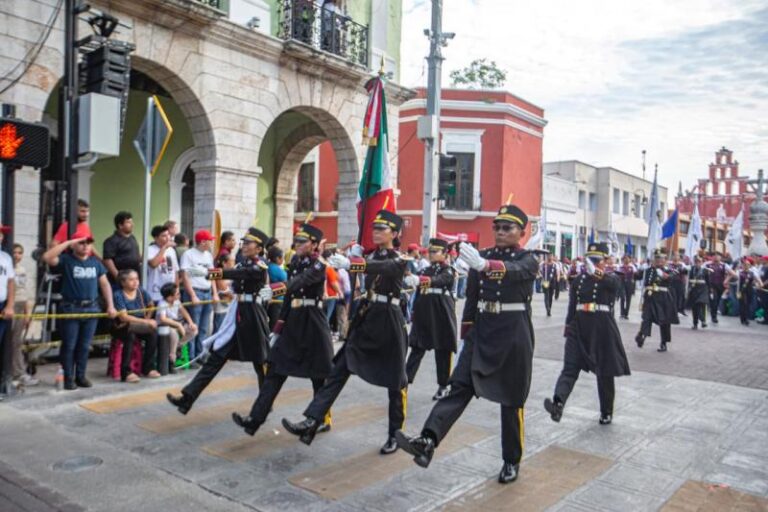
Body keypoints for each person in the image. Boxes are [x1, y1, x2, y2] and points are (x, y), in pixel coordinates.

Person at [395, 204, 539, 484]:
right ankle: (428, 439)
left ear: (522, 232)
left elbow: (516, 272)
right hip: (482, 332)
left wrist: (486, 266)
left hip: (513, 335)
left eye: (507, 227)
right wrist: (467, 337)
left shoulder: (528, 259)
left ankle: (511, 460)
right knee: (458, 386)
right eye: (496, 226)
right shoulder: (480, 257)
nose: (499, 231)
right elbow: (472, 299)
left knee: (511, 400)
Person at [281, 210, 409, 455]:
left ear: (395, 233)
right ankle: (313, 419)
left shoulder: (400, 259)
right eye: (374, 227)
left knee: (395, 381)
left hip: (389, 322)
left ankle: (395, 433)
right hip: (367, 317)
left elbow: (386, 267)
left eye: (382, 229)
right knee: (338, 370)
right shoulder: (370, 255)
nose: (376, 231)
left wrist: (353, 263)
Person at [232, 223, 333, 436]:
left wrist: (277, 288)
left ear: (314, 245)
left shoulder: (318, 264)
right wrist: (277, 329)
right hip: (294, 321)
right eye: (296, 241)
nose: (297, 244)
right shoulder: (295, 261)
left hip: (313, 322)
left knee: (319, 375)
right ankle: (255, 419)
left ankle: (320, 419)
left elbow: (299, 282)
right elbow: (290, 296)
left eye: (302, 241)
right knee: (275, 371)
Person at [167, 227, 274, 415]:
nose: (244, 246)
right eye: (244, 242)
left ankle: (265, 403)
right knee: (216, 358)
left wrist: (209, 273)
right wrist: (226, 292)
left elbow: (235, 275)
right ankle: (187, 399)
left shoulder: (259, 266)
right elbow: (235, 285)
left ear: (259, 248)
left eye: (249, 243)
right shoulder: (243, 265)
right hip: (237, 316)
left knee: (261, 362)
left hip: (252, 317)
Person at [544, 243, 630, 426]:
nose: (592, 263)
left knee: (604, 372)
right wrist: (568, 327)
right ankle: (558, 404)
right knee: (570, 367)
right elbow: (572, 305)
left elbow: (615, 288)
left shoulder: (612, 277)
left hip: (602, 327)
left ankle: (606, 411)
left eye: (596, 260)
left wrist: (597, 274)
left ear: (604, 262)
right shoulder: (578, 280)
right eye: (590, 260)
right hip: (579, 325)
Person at [42, 229, 117, 389]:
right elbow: (47, 257)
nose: (85, 246)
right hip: (71, 307)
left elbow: (105, 284)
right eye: (81, 243)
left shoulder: (95, 263)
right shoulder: (66, 260)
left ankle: (81, 376)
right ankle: (68, 378)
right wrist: (68, 243)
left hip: (92, 308)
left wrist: (110, 305)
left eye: (88, 243)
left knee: (84, 345)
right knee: (69, 345)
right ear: (74, 245)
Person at [405, 238, 456, 400]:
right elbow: (418, 288)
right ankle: (404, 382)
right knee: (417, 348)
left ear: (444, 254)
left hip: (441, 312)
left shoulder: (448, 270)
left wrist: (420, 281)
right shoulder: (424, 270)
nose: (431, 254)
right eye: (430, 251)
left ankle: (443, 385)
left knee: (442, 351)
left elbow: (441, 281)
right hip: (424, 312)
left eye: (435, 252)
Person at [179, 229, 219, 366]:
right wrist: (192, 295)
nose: (211, 242)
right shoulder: (188, 254)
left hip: (207, 291)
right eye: (210, 240)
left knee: (203, 326)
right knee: (193, 326)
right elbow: (185, 276)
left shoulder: (208, 255)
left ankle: (200, 354)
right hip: (195, 292)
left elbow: (213, 275)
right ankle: (191, 358)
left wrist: (214, 293)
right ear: (202, 242)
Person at [113, 269, 160, 383]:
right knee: (130, 336)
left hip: (139, 324)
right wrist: (146, 322)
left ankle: (148, 368)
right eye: (131, 279)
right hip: (122, 326)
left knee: (153, 334)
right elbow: (123, 317)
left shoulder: (141, 291)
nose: (135, 282)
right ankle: (126, 372)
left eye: (137, 279)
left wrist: (148, 318)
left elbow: (151, 305)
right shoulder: (118, 294)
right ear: (123, 282)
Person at [634, 250, 680, 353]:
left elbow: (670, 278)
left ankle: (663, 343)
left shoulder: (669, 270)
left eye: (661, 259)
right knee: (646, 318)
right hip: (650, 297)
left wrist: (662, 273)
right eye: (657, 259)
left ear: (665, 260)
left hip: (663, 298)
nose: (659, 261)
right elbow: (636, 277)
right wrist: (640, 269)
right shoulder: (648, 270)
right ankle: (642, 336)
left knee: (664, 321)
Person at [10, 243, 37, 386]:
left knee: (16, 342)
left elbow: (26, 293)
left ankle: (18, 373)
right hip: (8, 306)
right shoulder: (5, 268)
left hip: (20, 306)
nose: (17, 255)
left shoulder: (23, 270)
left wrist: (27, 314)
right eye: (14, 252)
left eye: (20, 252)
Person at [156, 282, 198, 374]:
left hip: (177, 324)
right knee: (174, 335)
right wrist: (178, 325)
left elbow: (184, 311)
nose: (179, 295)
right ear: (170, 297)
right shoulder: (162, 303)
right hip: (165, 327)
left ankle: (178, 347)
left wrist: (191, 323)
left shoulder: (177, 301)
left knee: (193, 330)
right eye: (177, 294)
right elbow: (163, 319)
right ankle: (172, 360)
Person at [103, 211, 141, 285]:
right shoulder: (111, 241)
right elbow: (108, 261)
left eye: (132, 222)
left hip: (134, 279)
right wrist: (118, 278)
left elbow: (136, 255)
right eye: (128, 222)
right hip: (121, 281)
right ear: (120, 225)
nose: (132, 224)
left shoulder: (132, 238)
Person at [0, 225, 17, 388]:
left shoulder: (6, 257)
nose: (0, 236)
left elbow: (11, 282)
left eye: (1, 234)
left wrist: (10, 305)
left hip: (2, 305)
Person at [145, 225, 179, 304]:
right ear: (156, 238)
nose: (168, 238)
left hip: (170, 293)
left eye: (168, 235)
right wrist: (164, 247)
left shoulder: (171, 250)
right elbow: (153, 264)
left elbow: (176, 271)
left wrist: (176, 289)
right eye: (164, 236)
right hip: (155, 292)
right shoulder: (150, 249)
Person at [726, 257, 763, 326]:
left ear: (750, 266)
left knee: (748, 304)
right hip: (741, 291)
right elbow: (732, 274)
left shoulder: (752, 273)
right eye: (745, 264)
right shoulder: (739, 272)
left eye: (748, 265)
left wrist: (760, 284)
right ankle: (745, 319)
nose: (746, 266)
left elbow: (758, 280)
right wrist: (726, 281)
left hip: (749, 290)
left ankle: (744, 317)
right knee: (743, 304)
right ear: (742, 265)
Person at [212, 252, 236, 334]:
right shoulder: (218, 272)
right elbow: (223, 289)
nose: (234, 263)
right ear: (224, 263)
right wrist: (236, 297)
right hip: (221, 307)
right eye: (232, 261)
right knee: (219, 330)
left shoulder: (232, 273)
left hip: (230, 306)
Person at [706, 252, 730, 324]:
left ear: (720, 257)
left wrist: (726, 280)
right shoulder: (707, 264)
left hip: (720, 286)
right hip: (711, 286)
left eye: (717, 256)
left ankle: (714, 314)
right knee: (714, 300)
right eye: (714, 256)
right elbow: (701, 271)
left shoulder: (724, 265)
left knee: (717, 301)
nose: (716, 257)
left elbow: (733, 274)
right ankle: (714, 317)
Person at [687, 255, 710, 329]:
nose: (697, 263)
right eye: (696, 262)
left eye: (699, 262)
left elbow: (708, 281)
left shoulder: (705, 270)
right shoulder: (691, 270)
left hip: (703, 289)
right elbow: (689, 280)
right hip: (694, 289)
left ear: (702, 262)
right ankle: (695, 323)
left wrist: (710, 290)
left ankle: (703, 320)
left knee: (701, 304)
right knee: (695, 307)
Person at [617, 255, 637, 319]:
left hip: (629, 283)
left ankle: (626, 314)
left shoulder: (632, 266)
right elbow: (617, 275)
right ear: (623, 260)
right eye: (625, 258)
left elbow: (635, 275)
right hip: (622, 283)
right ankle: (622, 313)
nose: (626, 260)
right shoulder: (620, 266)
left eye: (627, 258)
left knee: (628, 298)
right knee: (622, 297)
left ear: (630, 259)